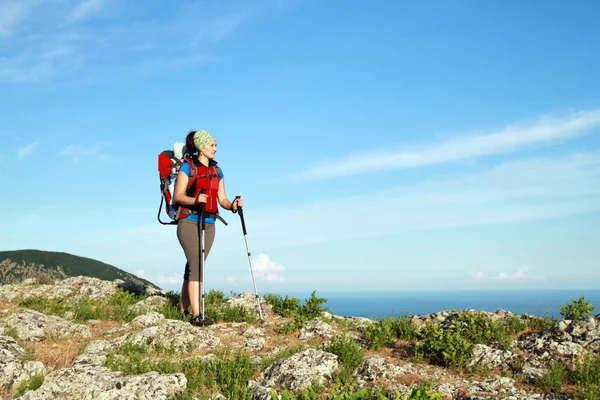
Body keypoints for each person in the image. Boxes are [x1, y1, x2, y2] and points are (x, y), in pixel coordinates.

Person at [174, 129, 243, 326]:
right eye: (212, 145)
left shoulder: (217, 170)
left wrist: (233, 205)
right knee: (197, 266)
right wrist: (195, 200)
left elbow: (222, 199)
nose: (216, 149)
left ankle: (182, 308)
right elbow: (178, 195)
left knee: (194, 266)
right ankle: (197, 315)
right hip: (188, 221)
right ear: (201, 147)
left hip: (210, 223)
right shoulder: (188, 167)